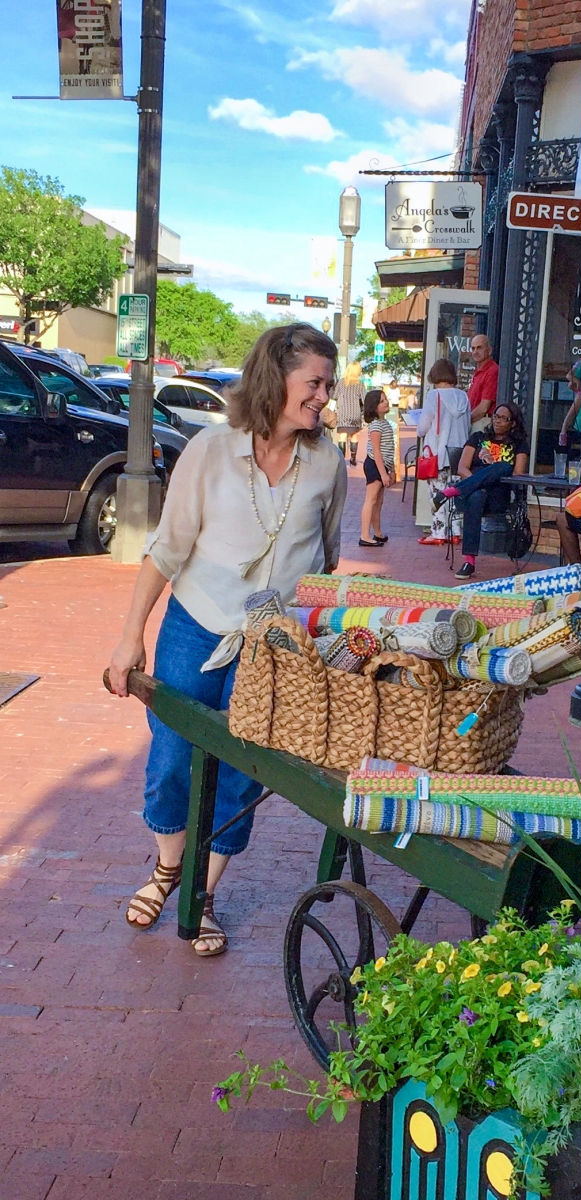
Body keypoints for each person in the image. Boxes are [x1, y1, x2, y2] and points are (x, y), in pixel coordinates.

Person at [107, 324, 346, 957]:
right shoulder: (210, 451)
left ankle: (202, 893)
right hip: (196, 621)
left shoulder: (327, 462)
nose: (325, 396)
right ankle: (165, 869)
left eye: (329, 383)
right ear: (276, 379)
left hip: (275, 644)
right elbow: (166, 550)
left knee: (242, 771)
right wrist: (130, 638)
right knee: (170, 759)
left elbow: (326, 562)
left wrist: (320, 646)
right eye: (314, 383)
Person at [433, 402, 529, 579]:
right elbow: (462, 468)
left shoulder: (519, 444)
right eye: (495, 416)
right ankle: (469, 561)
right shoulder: (477, 438)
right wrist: (476, 483)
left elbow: (518, 474)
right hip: (470, 494)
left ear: (513, 423)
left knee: (504, 467)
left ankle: (448, 492)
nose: (497, 421)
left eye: (503, 418)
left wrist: (491, 475)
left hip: (497, 498)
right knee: (476, 495)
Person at [416, 358, 471, 546]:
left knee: (437, 494)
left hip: (439, 454)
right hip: (460, 454)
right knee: (455, 493)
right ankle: (456, 531)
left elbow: (422, 427)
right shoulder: (464, 397)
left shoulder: (434, 396)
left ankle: (439, 532)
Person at [359, 388, 396, 546]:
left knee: (378, 501)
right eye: (381, 401)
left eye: (385, 399)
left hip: (383, 465)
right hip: (375, 465)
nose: (386, 402)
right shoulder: (375, 426)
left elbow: (389, 448)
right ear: (373, 406)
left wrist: (392, 469)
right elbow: (376, 450)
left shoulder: (385, 423)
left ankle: (377, 532)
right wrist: (383, 474)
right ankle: (365, 535)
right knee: (371, 499)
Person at [333, 360, 365, 464]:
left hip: (343, 412)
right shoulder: (360, 384)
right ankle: (353, 457)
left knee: (342, 435)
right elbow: (364, 399)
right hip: (355, 412)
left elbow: (335, 396)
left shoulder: (342, 382)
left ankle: (342, 457)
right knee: (354, 435)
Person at [467, 335, 499, 433]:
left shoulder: (492, 370)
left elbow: (484, 407)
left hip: (481, 422)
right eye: (473, 348)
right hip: (474, 421)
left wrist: (465, 421)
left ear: (489, 350)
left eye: (479, 348)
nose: (475, 352)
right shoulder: (479, 370)